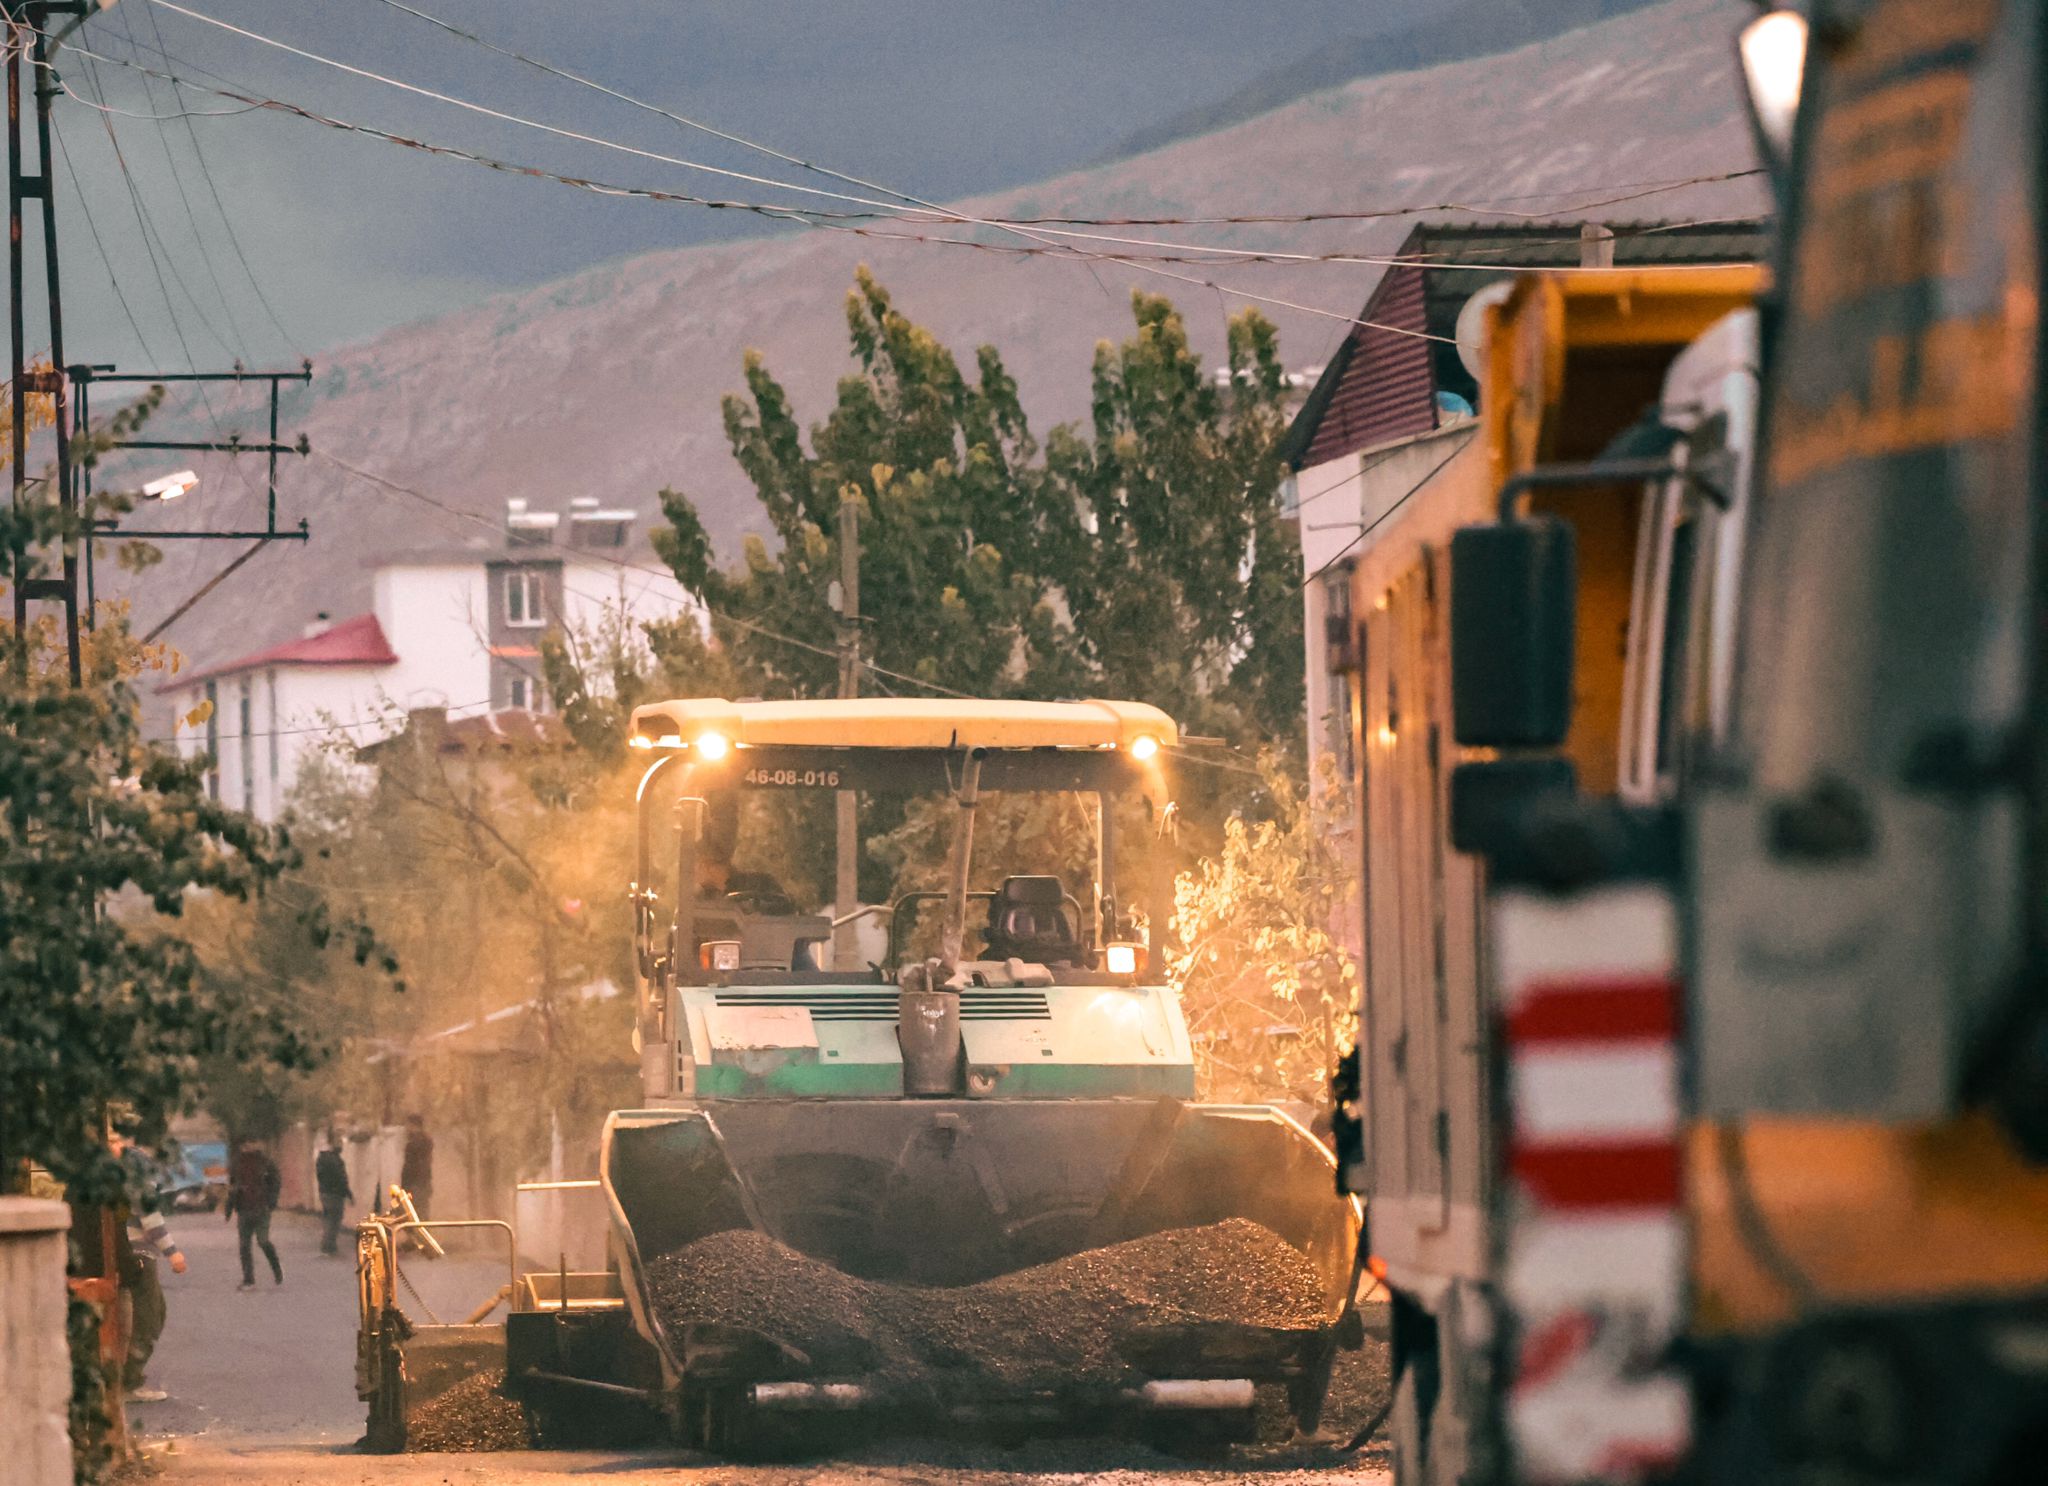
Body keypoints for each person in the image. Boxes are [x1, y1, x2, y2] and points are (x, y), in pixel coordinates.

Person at [110, 1131, 187, 1401]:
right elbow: (150, 1217)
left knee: (138, 1316)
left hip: (123, 1250)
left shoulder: (117, 1165)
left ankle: (123, 1378)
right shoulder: (137, 1166)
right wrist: (173, 1253)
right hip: (139, 1252)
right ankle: (129, 1382)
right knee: (149, 1318)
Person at [223, 1139, 283, 1290]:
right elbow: (232, 1187)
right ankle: (248, 1280)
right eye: (245, 1144)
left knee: (263, 1241)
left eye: (251, 1143)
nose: (248, 1146)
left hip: (261, 1208)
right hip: (243, 1209)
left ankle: (276, 1267)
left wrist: (271, 1202)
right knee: (244, 1246)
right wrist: (229, 1208)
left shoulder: (265, 1162)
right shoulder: (236, 1163)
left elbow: (276, 1182)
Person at [316, 1134, 354, 1256]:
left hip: (324, 1192)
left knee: (328, 1218)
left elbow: (320, 1176)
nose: (341, 1146)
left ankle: (326, 1245)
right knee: (335, 1220)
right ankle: (329, 1246)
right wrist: (348, 1194)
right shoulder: (335, 1160)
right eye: (339, 1143)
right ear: (332, 1144)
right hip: (335, 1194)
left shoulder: (321, 1158)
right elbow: (341, 1178)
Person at [400, 1114, 434, 1220]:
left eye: (408, 1125)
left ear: (414, 1125)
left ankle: (417, 1230)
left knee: (415, 1213)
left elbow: (413, 1166)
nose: (406, 1128)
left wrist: (407, 1185)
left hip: (416, 1184)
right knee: (419, 1212)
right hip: (420, 1184)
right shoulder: (423, 1141)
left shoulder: (416, 1142)